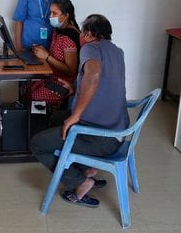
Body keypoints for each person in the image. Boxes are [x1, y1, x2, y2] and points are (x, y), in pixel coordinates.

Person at [30, 14, 129, 208]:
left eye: (83, 32)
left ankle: (80, 181)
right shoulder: (118, 51)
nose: (81, 36)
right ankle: (84, 166)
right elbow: (105, 83)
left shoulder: (89, 48)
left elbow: (94, 75)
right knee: (57, 117)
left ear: (90, 34)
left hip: (101, 137)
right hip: (118, 131)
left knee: (38, 144)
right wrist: (75, 89)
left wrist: (75, 116)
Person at [31, 0, 80, 106]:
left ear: (66, 15)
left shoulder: (69, 38)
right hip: (52, 76)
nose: (50, 16)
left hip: (64, 83)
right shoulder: (57, 31)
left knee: (34, 96)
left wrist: (47, 57)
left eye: (54, 13)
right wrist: (42, 51)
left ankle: (44, 120)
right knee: (25, 85)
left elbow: (70, 71)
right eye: (50, 13)